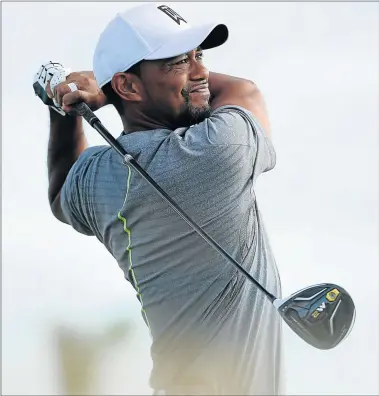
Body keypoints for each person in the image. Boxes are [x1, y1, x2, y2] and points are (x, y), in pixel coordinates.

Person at [41, 3, 283, 395]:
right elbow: (244, 90)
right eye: (177, 63)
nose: (201, 71)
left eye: (198, 55)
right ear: (129, 87)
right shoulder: (216, 150)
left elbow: (60, 190)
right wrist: (100, 89)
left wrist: (64, 109)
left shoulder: (100, 176)